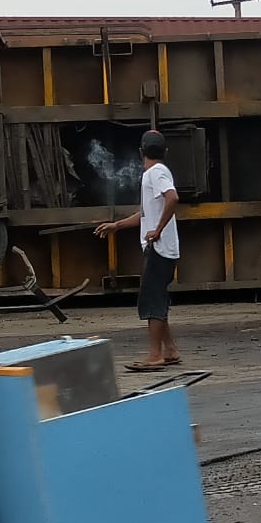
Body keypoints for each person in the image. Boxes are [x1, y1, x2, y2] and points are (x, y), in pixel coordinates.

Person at [95, 129, 181, 372]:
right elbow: (144, 215)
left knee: (152, 301)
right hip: (162, 247)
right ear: (165, 151)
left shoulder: (156, 173)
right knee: (157, 298)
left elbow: (173, 198)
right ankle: (170, 350)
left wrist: (158, 230)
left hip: (159, 248)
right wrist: (117, 225)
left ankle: (155, 356)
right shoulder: (155, 174)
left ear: (140, 152)